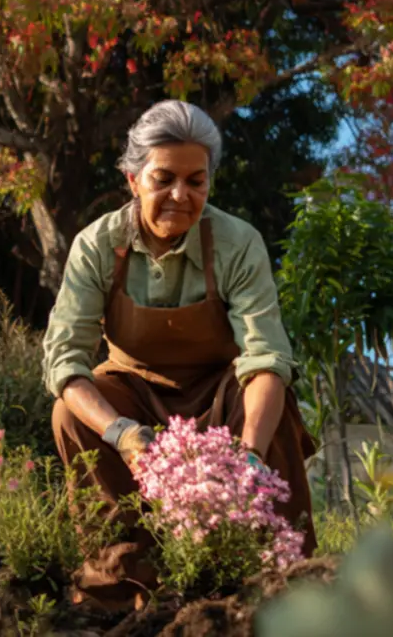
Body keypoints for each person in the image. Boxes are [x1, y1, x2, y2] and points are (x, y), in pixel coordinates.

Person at [44, 100, 316, 609]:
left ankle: (278, 586)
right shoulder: (96, 246)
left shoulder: (238, 242)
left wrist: (248, 458)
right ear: (132, 180)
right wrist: (124, 435)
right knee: (70, 413)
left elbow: (266, 358)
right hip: (133, 396)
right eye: (163, 179)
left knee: (271, 405)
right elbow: (66, 366)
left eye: (196, 181)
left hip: (220, 394)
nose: (180, 195)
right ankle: (122, 588)